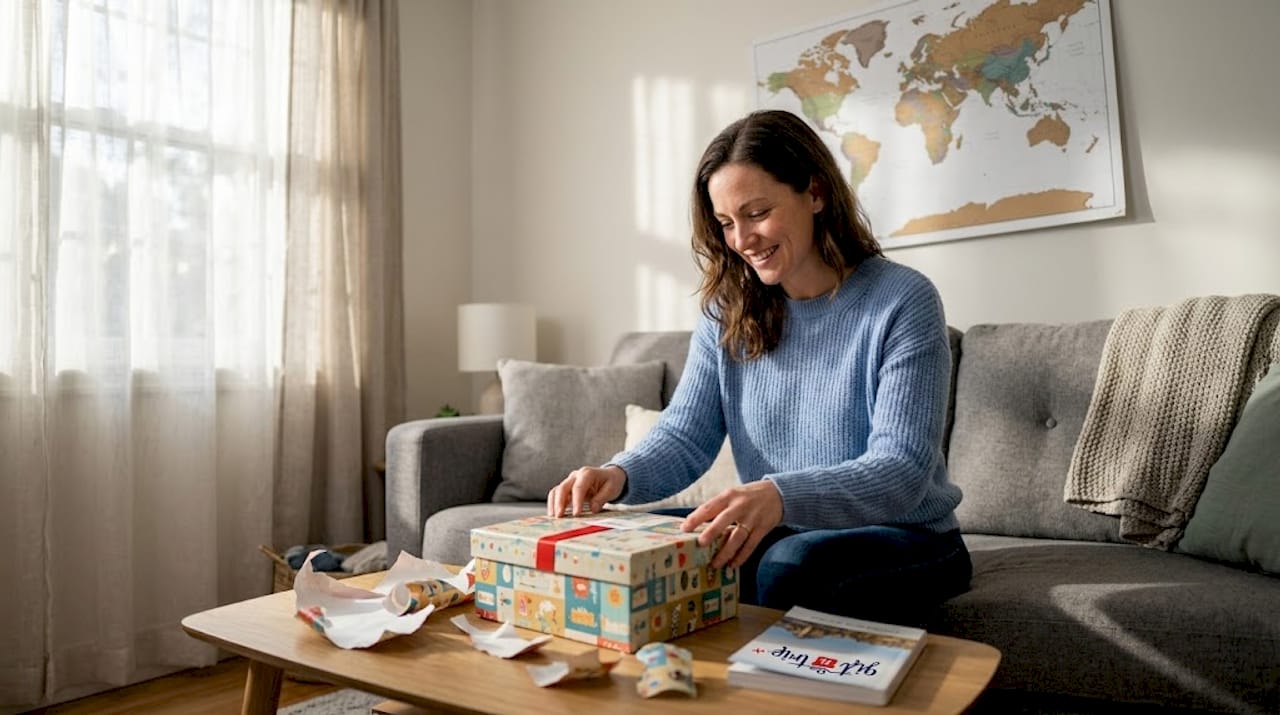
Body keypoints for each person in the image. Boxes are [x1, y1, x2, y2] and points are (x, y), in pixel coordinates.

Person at [546, 109, 971, 626]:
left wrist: (778, 495)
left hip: (908, 536)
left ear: (815, 194)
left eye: (757, 212)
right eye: (726, 223)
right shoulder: (727, 310)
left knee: (788, 568)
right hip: (782, 524)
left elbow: (900, 471)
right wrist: (618, 474)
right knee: (634, 546)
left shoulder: (902, 299)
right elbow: (686, 435)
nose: (742, 239)